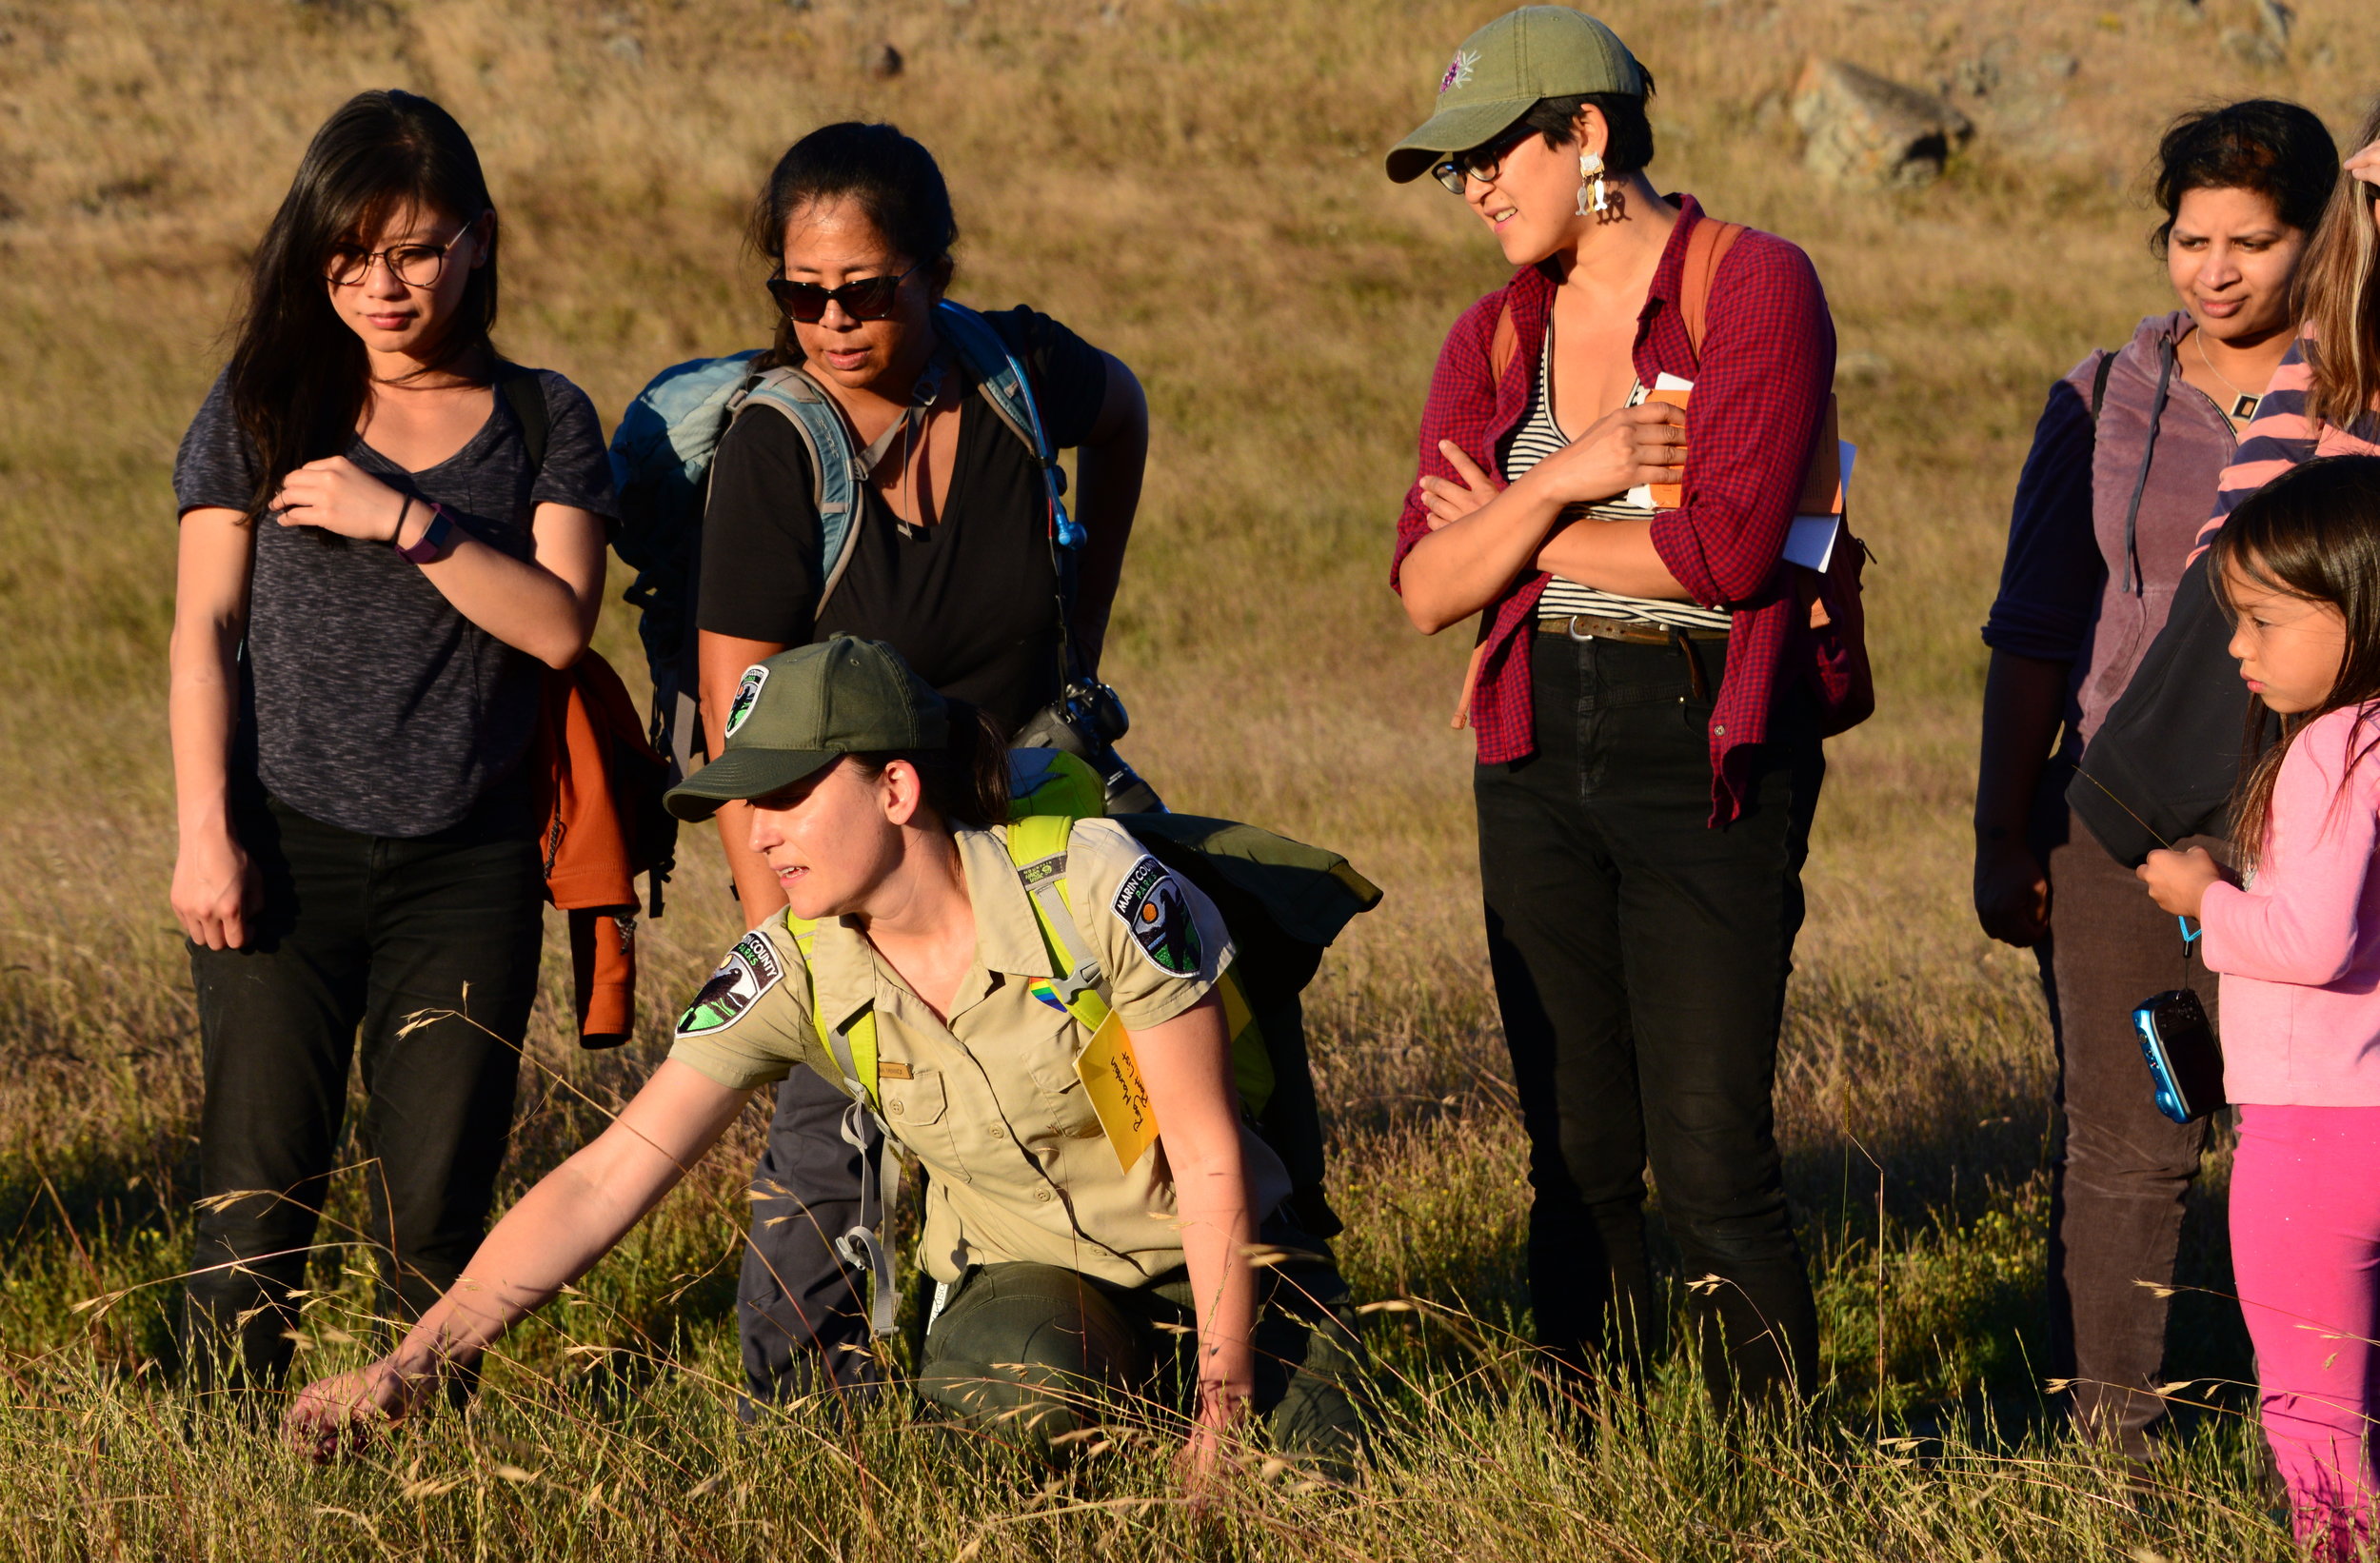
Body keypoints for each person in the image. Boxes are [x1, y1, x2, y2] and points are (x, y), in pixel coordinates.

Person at [280, 637, 1365, 1484]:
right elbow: (606, 1175)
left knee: (1310, 1483)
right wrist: (408, 1365)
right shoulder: (794, 970)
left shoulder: (1092, 889)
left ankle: (1205, 1387)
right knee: (1009, 1403)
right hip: (1035, 1277)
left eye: (789, 795)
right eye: (751, 805)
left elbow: (1212, 1160)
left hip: (1233, 1252)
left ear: (896, 790)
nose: (758, 835)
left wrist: (1222, 1406)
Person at [1383, 6, 1844, 1409]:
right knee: (1574, 1147)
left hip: (1704, 743)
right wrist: (1565, 479)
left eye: (1489, 154)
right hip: (1533, 746)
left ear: (1585, 134)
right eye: (1453, 166)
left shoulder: (1755, 285)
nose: (1472, 188)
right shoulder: (1493, 333)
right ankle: (1580, 1436)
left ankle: (1767, 1463)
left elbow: (1727, 554)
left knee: (1711, 1148)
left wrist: (1509, 534)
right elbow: (1419, 585)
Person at [684, 122, 1152, 1410]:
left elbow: (1125, 417)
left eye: (865, 291)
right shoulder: (775, 451)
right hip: (857, 863)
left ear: (935, 274)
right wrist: (788, 935)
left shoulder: (1021, 373)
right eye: (800, 294)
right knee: (832, 1153)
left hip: (1016, 836)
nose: (830, 321)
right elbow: (741, 723)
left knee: (1089, 1104)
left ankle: (1108, 1344)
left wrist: (1082, 636)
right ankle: (801, 1415)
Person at [166, 89, 614, 1392]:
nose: (383, 284)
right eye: (350, 256)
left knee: (437, 1201)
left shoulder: (544, 417)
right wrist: (206, 833)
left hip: (466, 866)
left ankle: (419, 1450)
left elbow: (557, 626)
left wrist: (400, 517)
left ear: (477, 239)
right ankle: (217, 1460)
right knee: (254, 1194)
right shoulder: (264, 400)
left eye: (415, 250)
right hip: (279, 847)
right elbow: (202, 630)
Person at [1971, 100, 2337, 1457]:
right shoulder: (2109, 392)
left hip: (2308, 814)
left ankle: (2317, 1427)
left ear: (2319, 240)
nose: (2218, 270)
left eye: (2255, 240)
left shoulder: (2355, 390)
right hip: (2115, 817)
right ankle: (2109, 1460)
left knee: (2318, 1136)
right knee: (2130, 1142)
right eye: (2193, 239)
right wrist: (2003, 825)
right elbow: (2033, 627)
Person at [2137, 456, 2380, 1562]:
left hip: (2311, 1136)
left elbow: (2310, 941)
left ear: (2358, 602)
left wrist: (2204, 898)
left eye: (2262, 621)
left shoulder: (2330, 745)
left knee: (2311, 1402)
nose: (2237, 647)